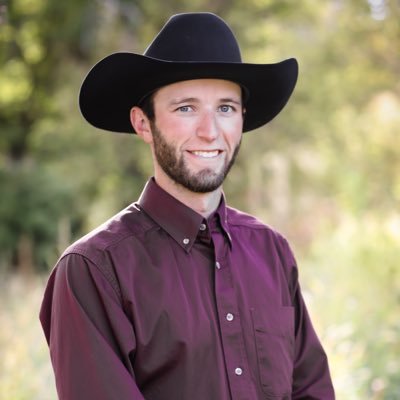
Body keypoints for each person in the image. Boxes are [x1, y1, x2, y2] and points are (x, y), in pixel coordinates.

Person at [40, 12, 335, 400]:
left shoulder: (272, 251)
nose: (210, 131)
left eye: (226, 108)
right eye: (186, 108)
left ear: (242, 119)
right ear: (143, 124)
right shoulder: (94, 270)